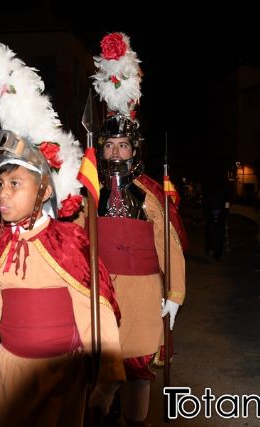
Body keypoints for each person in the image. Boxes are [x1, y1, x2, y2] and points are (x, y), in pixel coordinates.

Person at [0, 13, 125, 425]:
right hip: (10, 372)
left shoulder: (69, 244)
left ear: (43, 190)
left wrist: (107, 378)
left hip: (64, 374)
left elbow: (92, 311)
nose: (3, 194)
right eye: (0, 184)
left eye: (15, 184)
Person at [91, 32, 187, 426]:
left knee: (137, 367)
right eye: (109, 145)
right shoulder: (88, 190)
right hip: (101, 290)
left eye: (123, 146)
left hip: (143, 290)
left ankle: (136, 421)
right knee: (103, 369)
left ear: (135, 150)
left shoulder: (149, 193)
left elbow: (171, 245)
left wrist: (176, 293)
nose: (115, 151)